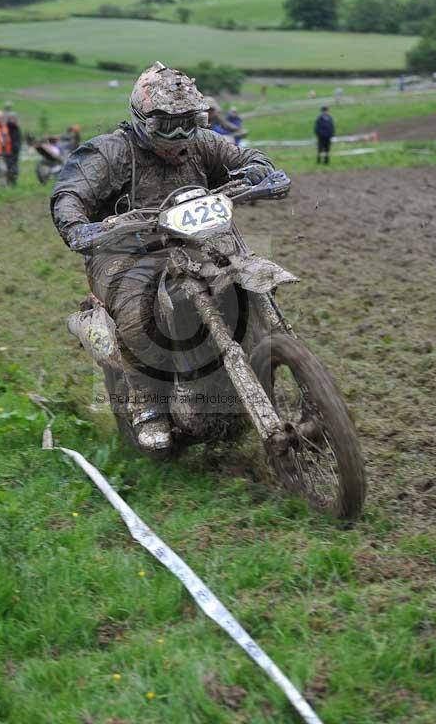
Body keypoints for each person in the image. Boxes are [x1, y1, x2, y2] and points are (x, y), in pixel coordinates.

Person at [51, 61, 275, 452]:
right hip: (124, 250)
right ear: (142, 119)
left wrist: (258, 170)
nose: (181, 134)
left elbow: (243, 157)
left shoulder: (201, 142)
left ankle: (275, 352)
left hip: (198, 241)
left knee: (244, 272)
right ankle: (148, 404)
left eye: (190, 121)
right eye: (169, 125)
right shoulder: (112, 151)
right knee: (137, 304)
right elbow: (70, 192)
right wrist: (78, 227)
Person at [5, 112, 22, 186]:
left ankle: (13, 184)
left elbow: (18, 138)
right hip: (9, 152)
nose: (15, 120)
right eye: (13, 118)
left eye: (15, 118)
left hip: (16, 152)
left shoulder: (16, 127)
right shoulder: (7, 127)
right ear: (9, 119)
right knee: (11, 169)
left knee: (15, 169)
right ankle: (10, 183)